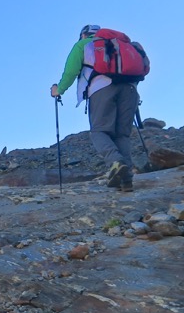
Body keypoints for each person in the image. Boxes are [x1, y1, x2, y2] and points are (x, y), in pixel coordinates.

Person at [50, 25, 139, 191]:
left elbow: (71, 72)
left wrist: (58, 90)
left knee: (99, 131)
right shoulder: (117, 44)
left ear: (83, 35)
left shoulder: (82, 45)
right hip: (130, 90)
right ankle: (126, 180)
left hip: (101, 88)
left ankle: (116, 163)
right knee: (122, 135)